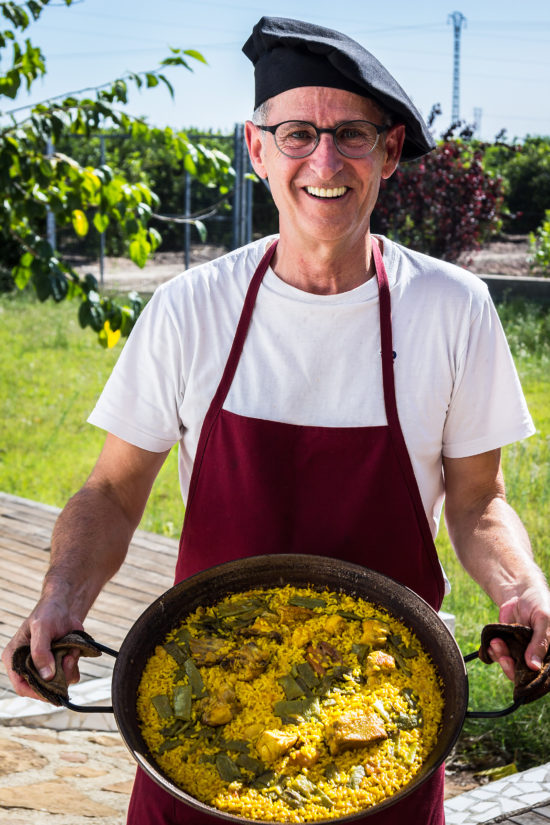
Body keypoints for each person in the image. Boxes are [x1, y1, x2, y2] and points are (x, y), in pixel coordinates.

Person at [3, 15, 550, 825]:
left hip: (387, 705)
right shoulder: (190, 307)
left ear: (390, 152)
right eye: (297, 133)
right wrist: (60, 597)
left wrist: (522, 587)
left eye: (352, 135)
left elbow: (479, 499)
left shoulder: (451, 309)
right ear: (256, 149)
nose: (324, 161)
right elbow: (113, 492)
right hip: (203, 695)